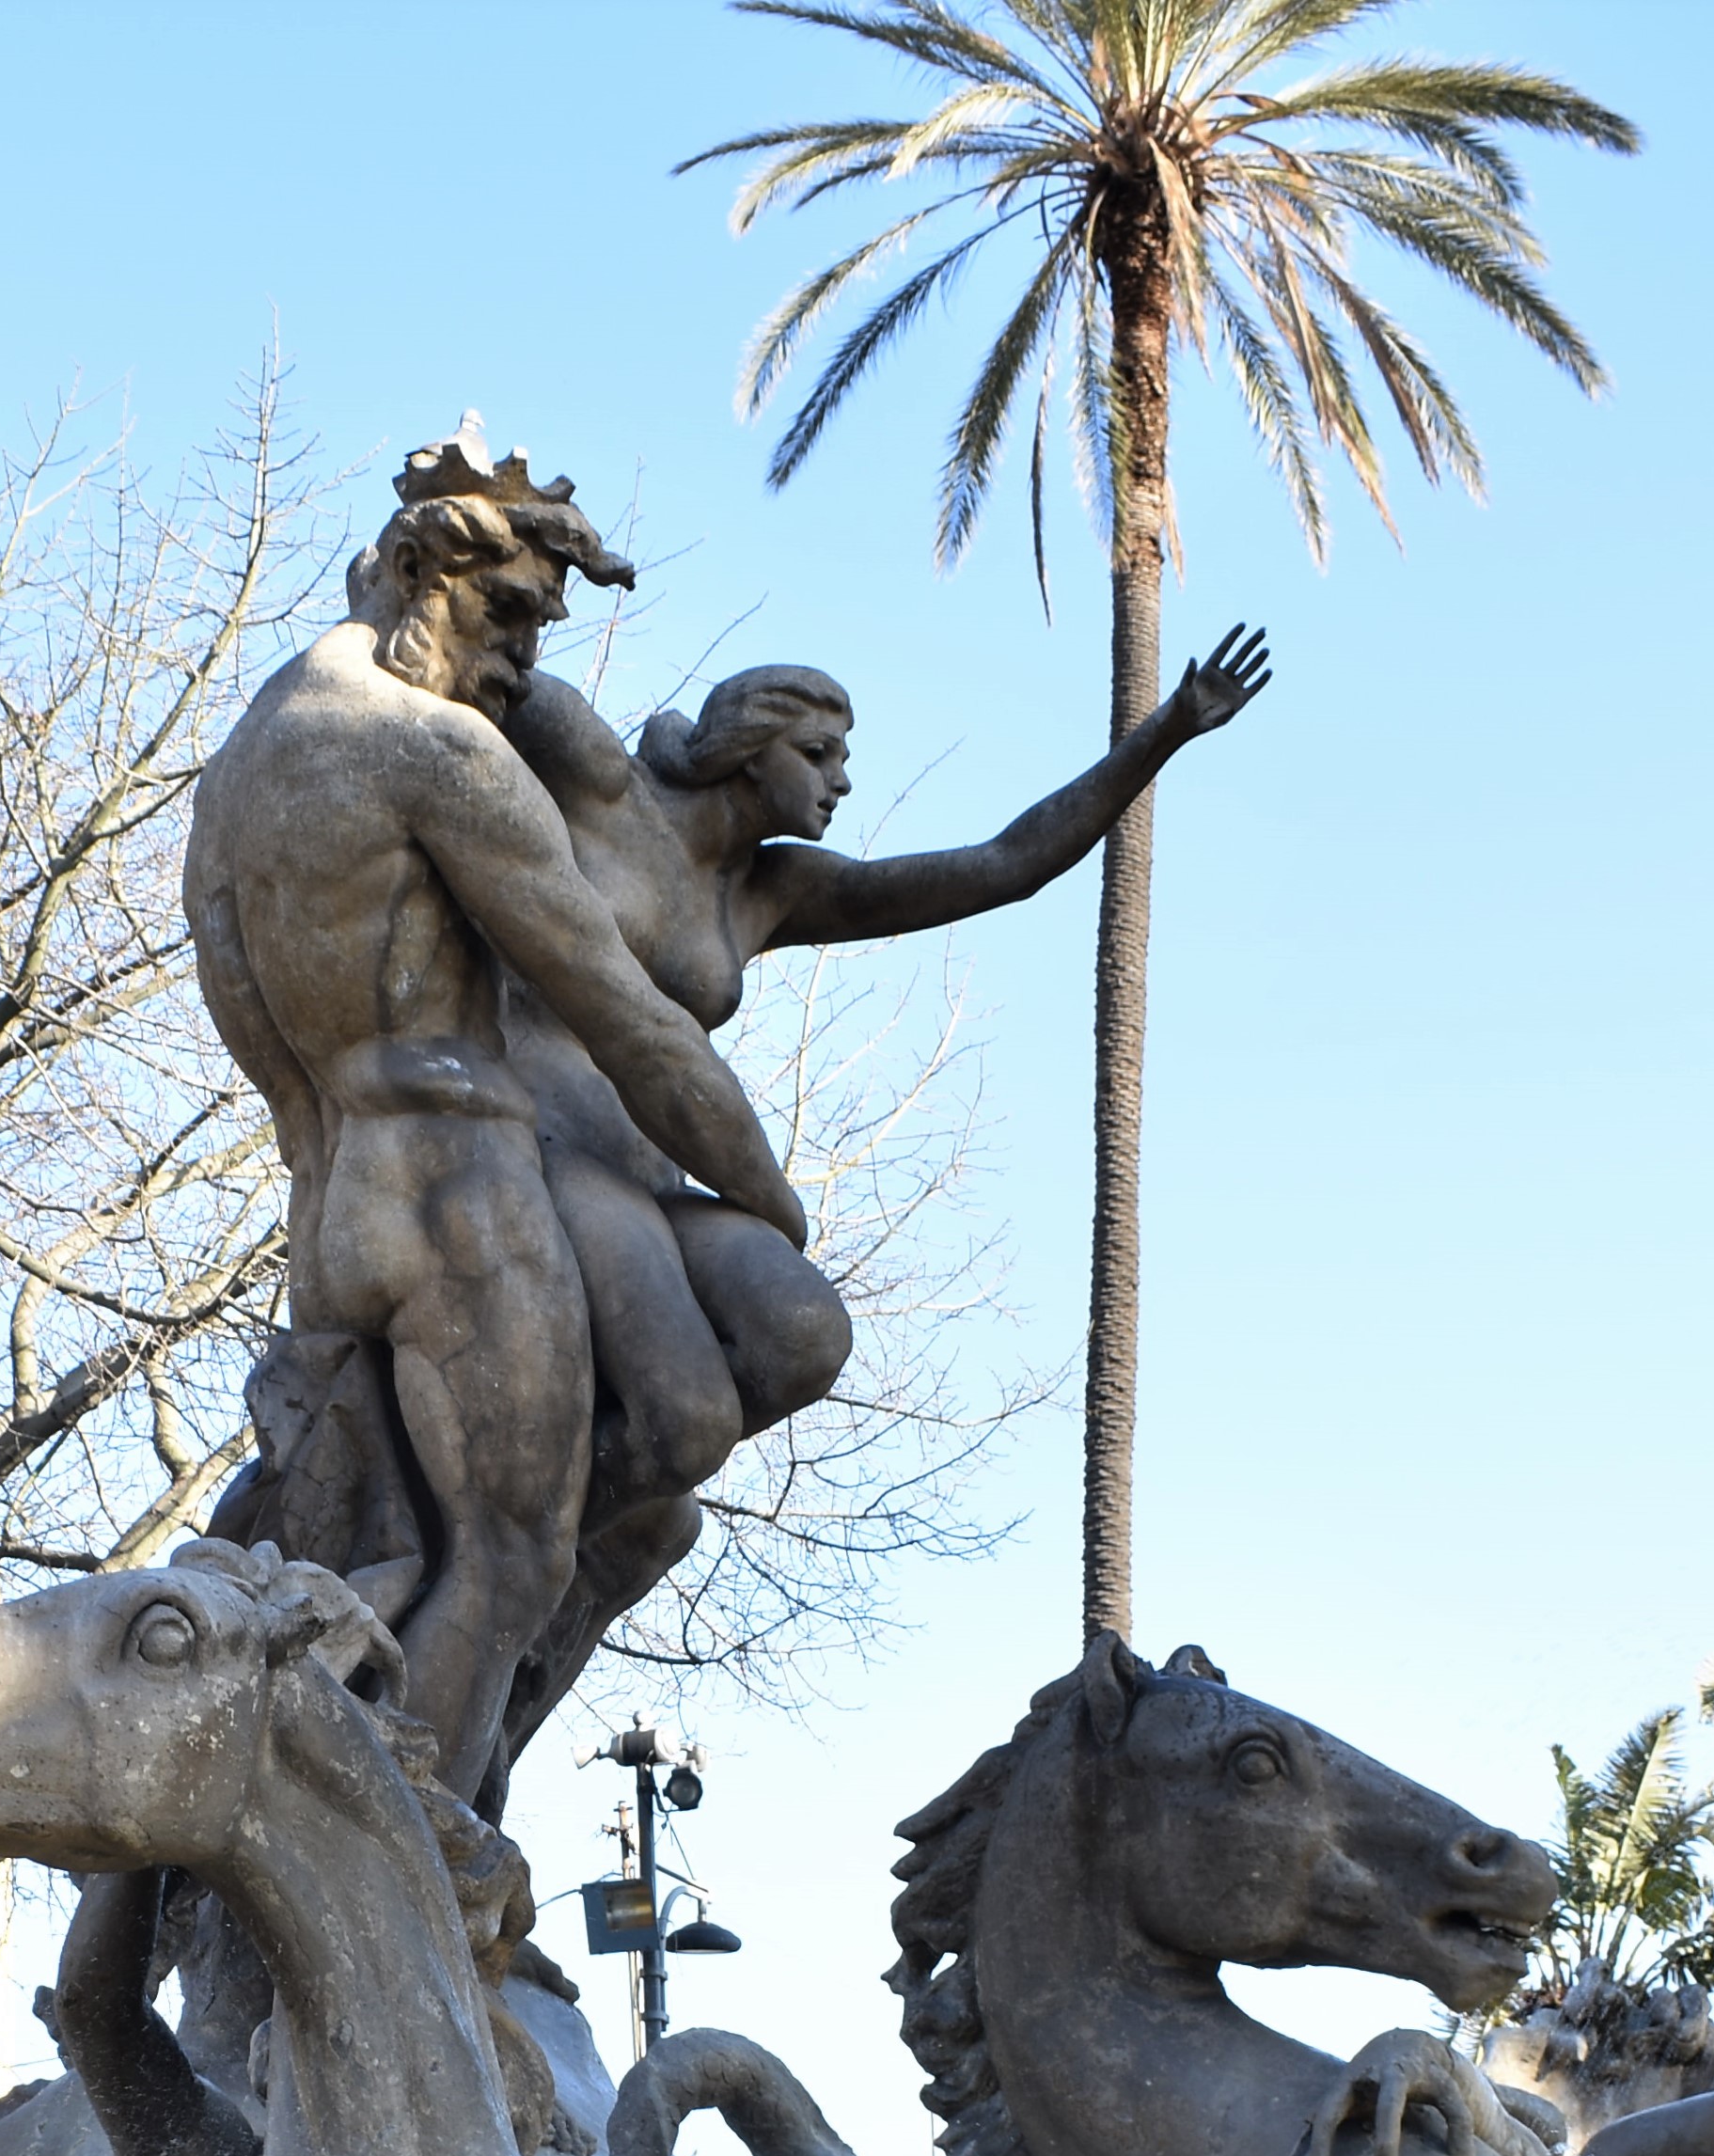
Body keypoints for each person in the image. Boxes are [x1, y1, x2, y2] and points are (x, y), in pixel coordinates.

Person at [181, 438, 810, 1803]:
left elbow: (255, 1023)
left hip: (335, 1212)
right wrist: (765, 1197)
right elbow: (634, 1023)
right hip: (462, 1194)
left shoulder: (239, 765)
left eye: (540, 625)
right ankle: (408, 1891)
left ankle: (358, 1820)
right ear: (411, 572)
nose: (520, 662)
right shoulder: (431, 752)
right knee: (514, 1560)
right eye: (507, 613)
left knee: (473, 1549)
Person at [495, 623, 1276, 1577]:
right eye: (818, 755)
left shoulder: (774, 891)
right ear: (747, 750)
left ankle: (554, 1560)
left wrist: (1165, 733)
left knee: (804, 1333)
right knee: (688, 1414)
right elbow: (477, 668)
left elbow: (1003, 864)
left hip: (650, 1167)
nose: (841, 782)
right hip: (542, 1130)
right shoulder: (604, 788)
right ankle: (509, 1551)